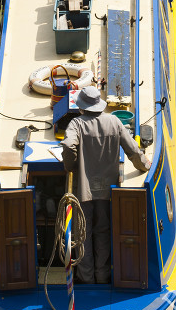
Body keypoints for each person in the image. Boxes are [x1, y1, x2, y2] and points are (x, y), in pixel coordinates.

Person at [61, 86, 151, 284]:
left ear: (82, 107)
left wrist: (71, 165)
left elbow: (68, 145)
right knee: (103, 231)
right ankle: (102, 276)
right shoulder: (114, 121)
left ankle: (86, 278)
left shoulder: (76, 124)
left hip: (83, 190)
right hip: (107, 190)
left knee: (82, 233)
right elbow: (133, 151)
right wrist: (145, 165)